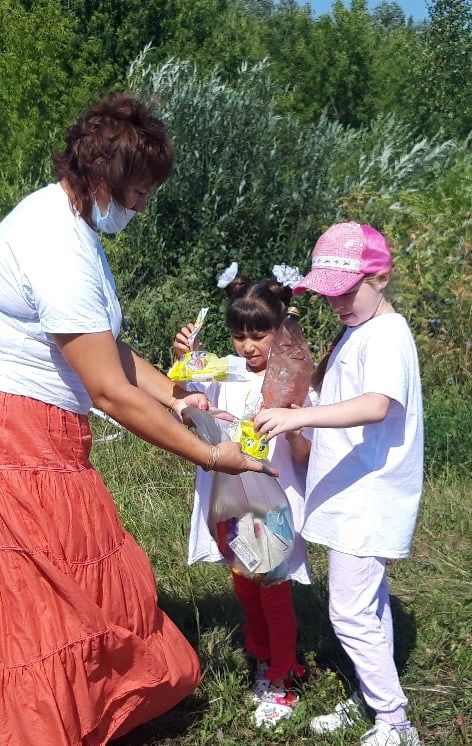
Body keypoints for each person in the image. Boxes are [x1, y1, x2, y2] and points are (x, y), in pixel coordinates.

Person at [0, 91, 274, 746]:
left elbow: (105, 348)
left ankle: (65, 717)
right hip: (2, 425)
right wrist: (210, 455)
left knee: (58, 577)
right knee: (47, 586)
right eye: (138, 191)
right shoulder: (58, 246)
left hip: (13, 417)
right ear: (102, 177)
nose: (142, 206)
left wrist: (175, 396)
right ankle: (42, 728)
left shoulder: (69, 224)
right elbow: (109, 392)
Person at [255, 222, 426, 746]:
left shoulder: (388, 335)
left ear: (382, 276)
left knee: (348, 610)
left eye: (347, 292)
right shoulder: (361, 329)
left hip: (371, 496)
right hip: (354, 491)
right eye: (329, 296)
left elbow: (377, 406)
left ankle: (394, 721)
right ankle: (371, 698)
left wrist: (301, 419)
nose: (338, 304)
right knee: (369, 606)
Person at [170, 269, 313, 728]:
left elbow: (306, 451)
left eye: (259, 335)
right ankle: (261, 654)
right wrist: (184, 369)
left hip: (271, 502)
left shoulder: (293, 383)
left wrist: (290, 424)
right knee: (243, 582)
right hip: (229, 501)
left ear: (280, 330)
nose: (248, 347)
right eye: (238, 336)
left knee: (272, 588)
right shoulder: (223, 374)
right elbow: (186, 403)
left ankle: (285, 672)